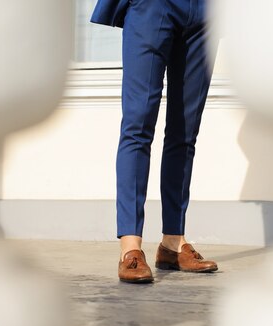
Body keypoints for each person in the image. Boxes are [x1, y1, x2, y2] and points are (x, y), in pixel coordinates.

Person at [91, 0, 218, 283]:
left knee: (185, 133)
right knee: (138, 126)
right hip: (151, 7)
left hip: (206, 11)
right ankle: (131, 248)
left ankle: (173, 242)